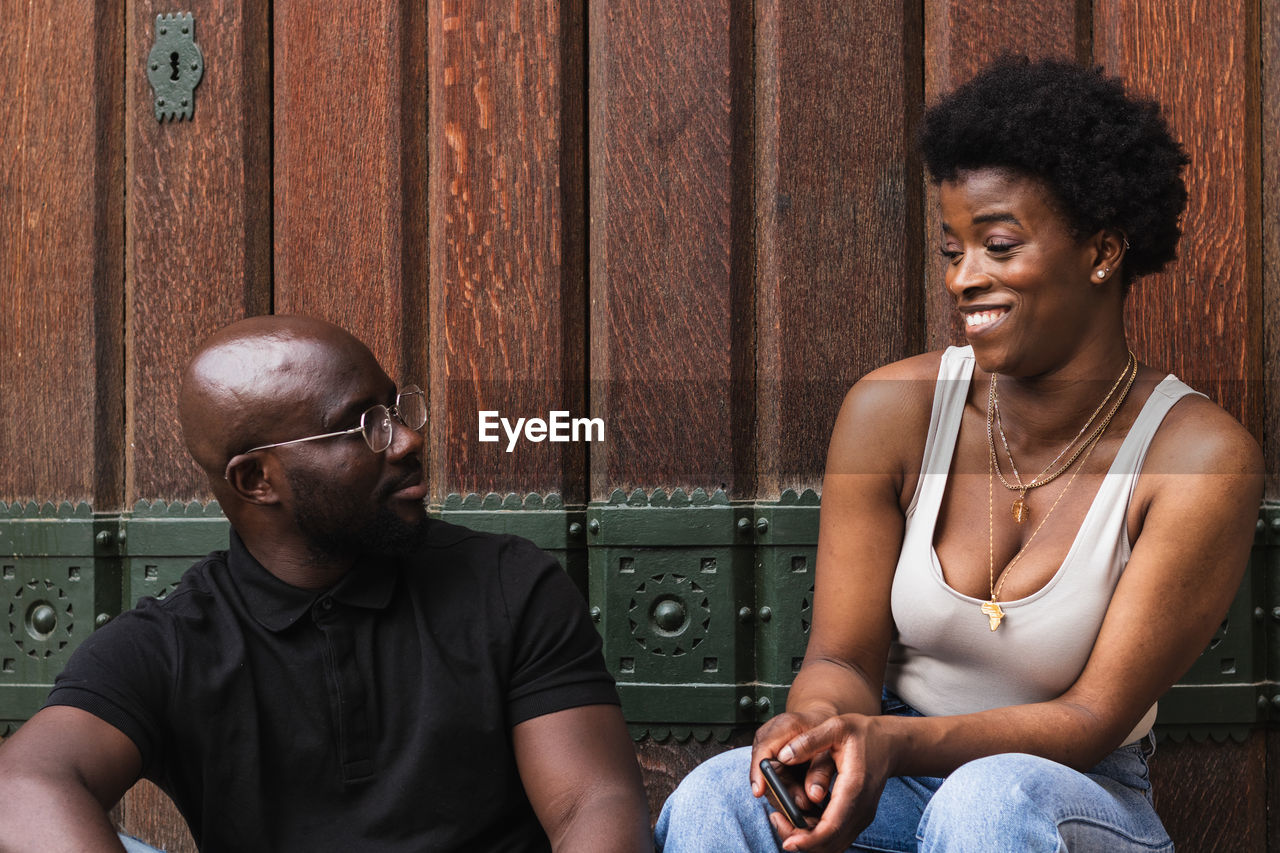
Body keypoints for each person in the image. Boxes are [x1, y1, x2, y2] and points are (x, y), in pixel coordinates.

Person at [656, 55, 1263, 852]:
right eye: (952, 251)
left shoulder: (1200, 457)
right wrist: (817, 724)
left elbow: (1088, 721)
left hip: (1069, 792)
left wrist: (890, 745)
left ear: (1103, 251)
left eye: (999, 246)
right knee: (716, 796)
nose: (963, 280)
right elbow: (842, 653)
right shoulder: (893, 411)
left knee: (984, 799)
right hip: (893, 771)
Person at [0, 315, 651, 852]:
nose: (406, 438)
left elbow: (592, 804)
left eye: (397, 407)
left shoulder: (508, 582)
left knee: (719, 797)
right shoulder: (172, 644)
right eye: (365, 424)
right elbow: (25, 780)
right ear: (257, 480)